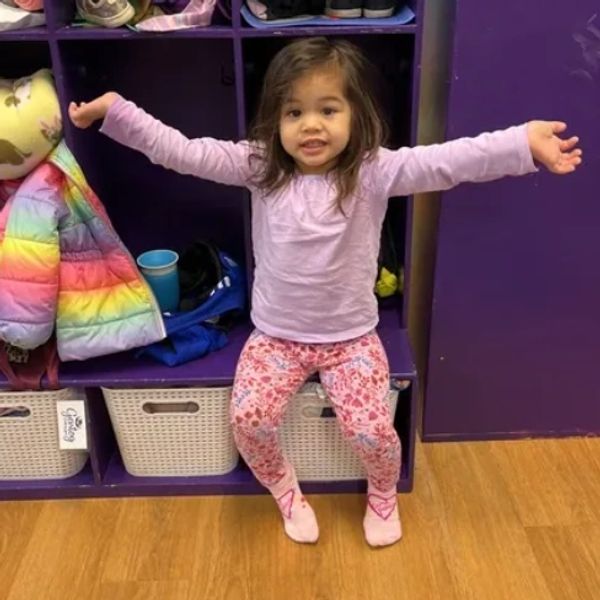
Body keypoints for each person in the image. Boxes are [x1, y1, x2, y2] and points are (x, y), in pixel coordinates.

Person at [69, 37, 582, 548]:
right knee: (248, 420)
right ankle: (286, 492)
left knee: (372, 431)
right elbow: (181, 152)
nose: (310, 125)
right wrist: (117, 111)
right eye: (294, 112)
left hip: (351, 339)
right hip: (276, 337)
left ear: (356, 115)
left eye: (328, 109)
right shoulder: (260, 167)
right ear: (276, 122)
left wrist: (521, 143)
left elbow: (449, 161)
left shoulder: (373, 171)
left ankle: (383, 491)